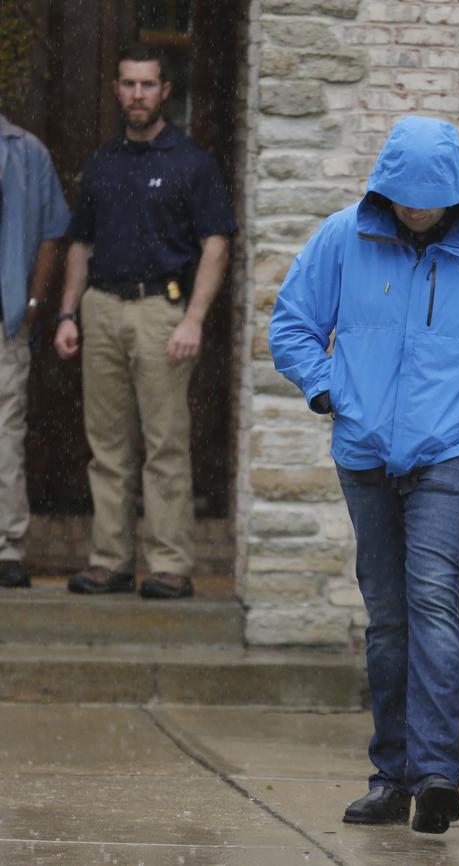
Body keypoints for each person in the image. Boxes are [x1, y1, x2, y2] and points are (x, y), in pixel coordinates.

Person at [269, 116, 459, 834]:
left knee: (431, 599)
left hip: (452, 452)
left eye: (430, 199)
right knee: (388, 622)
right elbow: (292, 324)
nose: (416, 211)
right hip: (363, 455)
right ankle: (391, 776)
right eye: (404, 198)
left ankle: (436, 775)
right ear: (384, 188)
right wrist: (330, 391)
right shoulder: (343, 238)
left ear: (456, 193)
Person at [54, 44, 236, 600]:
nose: (137, 94)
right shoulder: (102, 164)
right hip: (101, 309)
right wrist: (67, 312)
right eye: (129, 84)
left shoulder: (192, 163)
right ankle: (108, 562)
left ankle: (169, 567)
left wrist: (194, 319)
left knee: (165, 446)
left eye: (147, 85)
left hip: (163, 311)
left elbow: (216, 245)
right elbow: (81, 245)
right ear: (117, 89)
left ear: (165, 91)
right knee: (106, 447)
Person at [0, 113, 69, 589]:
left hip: (4, 323)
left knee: (5, 433)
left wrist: (30, 304)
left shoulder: (26, 151)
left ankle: (7, 546)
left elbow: (51, 230)